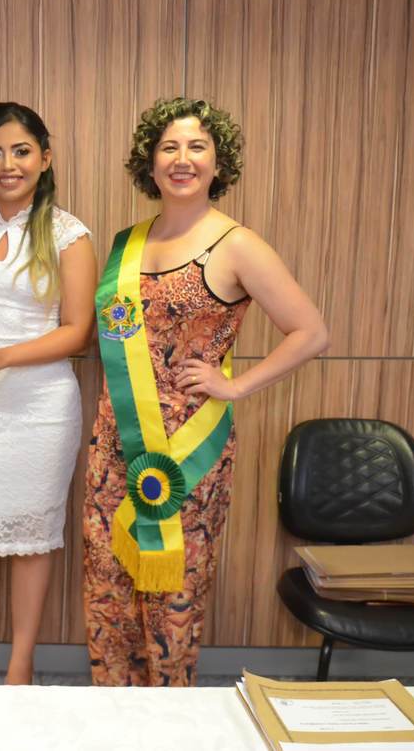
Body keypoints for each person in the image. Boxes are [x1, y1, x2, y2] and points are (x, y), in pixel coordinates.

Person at [83, 98, 329, 686]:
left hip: (187, 453)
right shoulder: (128, 243)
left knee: (173, 594)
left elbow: (311, 332)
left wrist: (236, 384)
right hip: (114, 444)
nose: (182, 159)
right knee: (108, 589)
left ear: (219, 163)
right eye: (168, 147)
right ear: (150, 162)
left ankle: (170, 719)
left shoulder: (236, 244)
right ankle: (112, 713)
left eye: (197, 147)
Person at [0, 102, 96, 686]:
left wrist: (5, 355)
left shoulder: (68, 233)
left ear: (45, 158)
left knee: (33, 541)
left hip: (40, 407)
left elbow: (78, 331)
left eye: (22, 151)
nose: (8, 165)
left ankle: (21, 667)